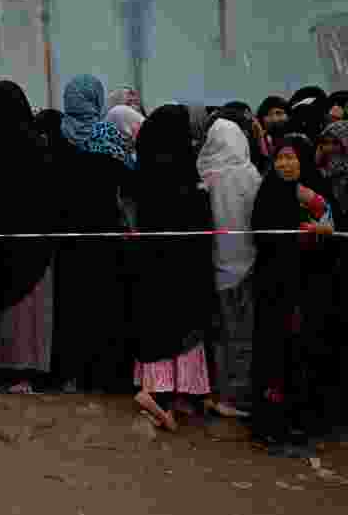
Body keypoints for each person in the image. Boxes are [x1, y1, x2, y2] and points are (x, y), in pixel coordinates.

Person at [130, 105, 215, 431]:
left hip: (151, 266)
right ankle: (180, 393)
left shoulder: (146, 170)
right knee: (184, 326)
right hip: (186, 268)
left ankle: (155, 390)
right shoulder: (184, 172)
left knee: (156, 325)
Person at [251, 135, 339, 447]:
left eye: (291, 158)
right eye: (280, 158)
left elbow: (335, 234)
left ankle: (309, 419)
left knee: (309, 349)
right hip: (276, 289)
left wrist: (322, 230)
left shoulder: (320, 190)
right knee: (276, 352)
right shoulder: (268, 193)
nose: (285, 164)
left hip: (312, 288)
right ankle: (273, 422)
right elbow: (263, 236)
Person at [52, 75, 135, 394]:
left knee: (73, 306)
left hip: (70, 239)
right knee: (106, 306)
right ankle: (105, 375)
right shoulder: (108, 135)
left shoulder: (57, 135)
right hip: (105, 235)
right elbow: (128, 179)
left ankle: (71, 374)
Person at [0, 82, 59, 394]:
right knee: (34, 309)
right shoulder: (38, 145)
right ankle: (33, 369)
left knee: (9, 311)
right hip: (38, 244)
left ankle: (7, 369)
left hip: (2, 244)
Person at [197, 118, 261, 417]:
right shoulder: (250, 175)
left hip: (213, 269)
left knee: (218, 334)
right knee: (243, 336)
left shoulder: (204, 175)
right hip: (247, 267)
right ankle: (235, 396)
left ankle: (215, 391)